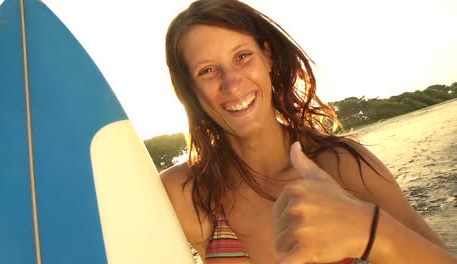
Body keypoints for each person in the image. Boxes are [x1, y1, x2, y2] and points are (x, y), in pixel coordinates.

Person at [160, 0, 456, 263]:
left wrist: (370, 232)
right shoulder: (186, 192)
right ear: (190, 89)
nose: (232, 83)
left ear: (268, 57)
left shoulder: (342, 166)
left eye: (242, 57)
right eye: (207, 71)